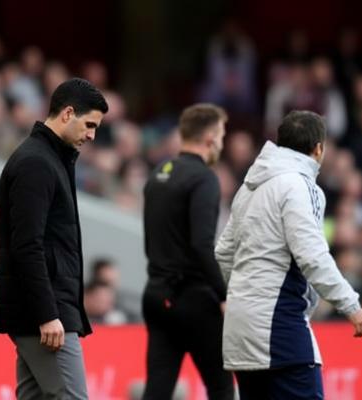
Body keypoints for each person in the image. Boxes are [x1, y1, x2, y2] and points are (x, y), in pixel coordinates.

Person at [216, 111, 362, 399]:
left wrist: (240, 297)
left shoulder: (248, 188)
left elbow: (224, 253)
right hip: (280, 325)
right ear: (319, 148)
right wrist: (351, 305)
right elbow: (312, 255)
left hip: (239, 332)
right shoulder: (301, 185)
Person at [0, 77, 108, 399]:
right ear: (68, 113)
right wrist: (47, 313)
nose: (92, 135)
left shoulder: (50, 158)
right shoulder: (36, 162)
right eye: (89, 125)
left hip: (41, 309)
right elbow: (27, 245)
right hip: (43, 312)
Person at [142, 103, 234, 399]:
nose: (221, 143)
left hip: (157, 295)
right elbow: (201, 244)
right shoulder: (204, 178)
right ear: (210, 138)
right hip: (193, 299)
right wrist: (223, 295)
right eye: (221, 135)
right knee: (221, 386)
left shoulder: (159, 173)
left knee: (157, 390)